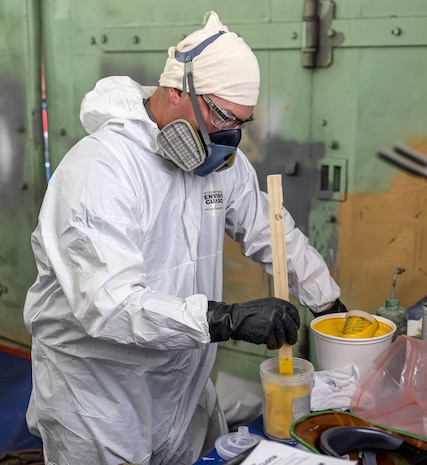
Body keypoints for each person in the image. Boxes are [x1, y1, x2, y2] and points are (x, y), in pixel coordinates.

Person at [23, 11, 346, 465]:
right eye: (223, 118)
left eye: (242, 123)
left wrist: (328, 301)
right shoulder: (102, 169)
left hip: (181, 379)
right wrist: (225, 320)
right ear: (177, 91)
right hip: (99, 393)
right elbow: (110, 305)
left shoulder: (215, 165)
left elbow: (270, 231)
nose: (230, 137)